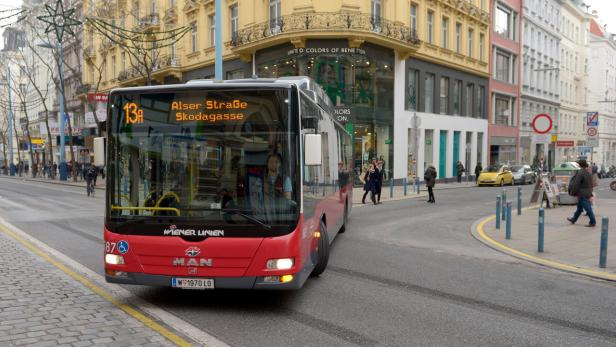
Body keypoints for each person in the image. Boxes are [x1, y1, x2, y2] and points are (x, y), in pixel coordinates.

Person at [263, 153, 293, 223]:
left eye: (276, 162)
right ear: (267, 164)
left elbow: (288, 201)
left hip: (281, 218)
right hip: (264, 218)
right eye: (271, 161)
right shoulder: (262, 179)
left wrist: (280, 193)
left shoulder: (285, 179)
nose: (273, 164)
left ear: (280, 164)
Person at [567, 159, 596, 227]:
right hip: (587, 192)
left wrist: (573, 192)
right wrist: (590, 192)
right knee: (579, 208)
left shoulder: (580, 172)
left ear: (579, 165)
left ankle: (593, 222)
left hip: (582, 194)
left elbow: (576, 184)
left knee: (588, 208)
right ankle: (574, 219)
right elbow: (590, 184)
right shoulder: (587, 172)